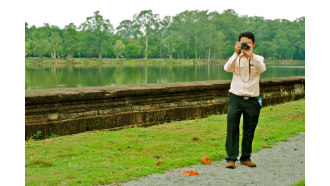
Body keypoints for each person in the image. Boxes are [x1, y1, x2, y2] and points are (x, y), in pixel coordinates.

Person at [223, 32, 266, 169]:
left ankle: (246, 157)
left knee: (249, 129)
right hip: (235, 97)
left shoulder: (258, 58)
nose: (245, 45)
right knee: (232, 128)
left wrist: (250, 55)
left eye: (248, 43)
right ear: (238, 44)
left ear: (253, 44)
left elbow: (262, 69)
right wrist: (236, 53)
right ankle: (231, 158)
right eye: (242, 43)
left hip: (253, 99)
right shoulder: (235, 58)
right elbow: (227, 68)